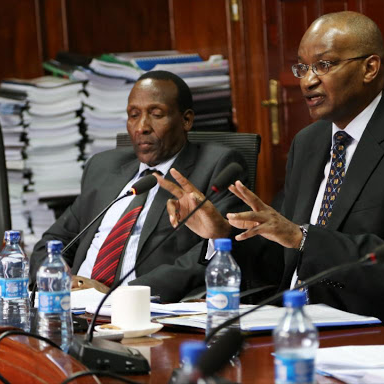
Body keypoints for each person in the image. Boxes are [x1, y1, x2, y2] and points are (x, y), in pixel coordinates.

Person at [156, 11, 384, 324]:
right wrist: (222, 232)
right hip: (289, 320)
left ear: (369, 68)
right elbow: (279, 254)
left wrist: (302, 238)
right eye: (302, 67)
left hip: (369, 328)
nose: (307, 80)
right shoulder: (309, 142)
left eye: (324, 65)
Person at [29, 70, 248, 302]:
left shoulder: (217, 168)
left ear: (186, 120)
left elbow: (211, 253)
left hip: (141, 310)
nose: (141, 127)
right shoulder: (103, 168)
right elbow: (53, 241)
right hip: (71, 305)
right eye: (133, 115)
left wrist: (118, 295)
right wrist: (55, 275)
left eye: (156, 114)